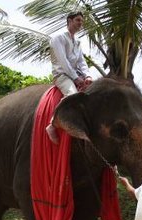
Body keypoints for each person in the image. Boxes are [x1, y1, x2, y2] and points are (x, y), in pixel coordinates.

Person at [46, 11, 93, 144]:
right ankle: (52, 125)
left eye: (81, 21)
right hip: (61, 75)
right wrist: (76, 78)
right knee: (72, 94)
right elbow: (63, 62)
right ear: (69, 21)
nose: (80, 23)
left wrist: (88, 76)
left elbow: (81, 62)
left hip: (75, 75)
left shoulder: (77, 42)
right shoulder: (58, 38)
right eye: (78, 20)